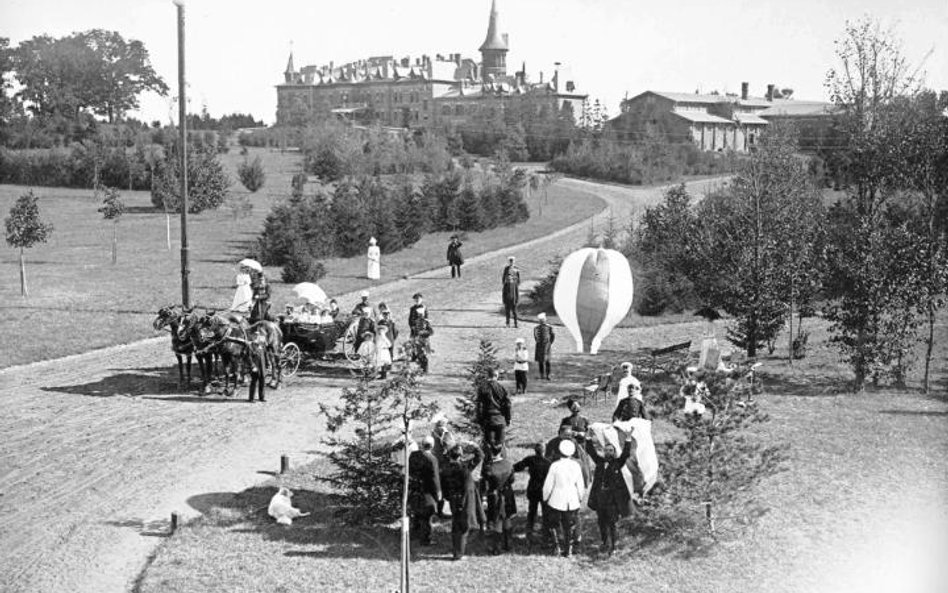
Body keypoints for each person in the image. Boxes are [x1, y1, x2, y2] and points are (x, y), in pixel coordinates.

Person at [585, 439, 633, 555]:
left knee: (612, 523)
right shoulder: (600, 462)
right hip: (600, 497)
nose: (608, 452)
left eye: (611, 450)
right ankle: (605, 543)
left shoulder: (618, 463)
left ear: (614, 452)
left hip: (612, 499)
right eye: (606, 450)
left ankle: (614, 546)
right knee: (601, 522)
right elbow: (591, 452)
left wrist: (628, 439)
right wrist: (588, 439)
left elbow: (626, 453)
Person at [542, 439, 586, 557]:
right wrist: (580, 497)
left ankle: (558, 547)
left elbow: (548, 485)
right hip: (572, 499)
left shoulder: (555, 466)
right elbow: (580, 484)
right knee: (570, 526)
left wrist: (545, 497)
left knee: (556, 524)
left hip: (556, 499)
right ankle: (569, 548)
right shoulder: (576, 465)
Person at [441, 443, 485, 560]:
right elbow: (480, 456)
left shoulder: (445, 469)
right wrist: (474, 446)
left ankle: (457, 550)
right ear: (460, 456)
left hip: (453, 500)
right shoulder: (464, 468)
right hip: (463, 501)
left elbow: (443, 486)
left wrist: (448, 497)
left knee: (456, 524)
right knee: (463, 527)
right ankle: (459, 553)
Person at [482, 443, 516, 554]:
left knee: (497, 521)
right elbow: (512, 480)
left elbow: (485, 482)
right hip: (507, 493)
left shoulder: (489, 468)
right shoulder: (509, 464)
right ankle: (508, 544)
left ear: (491, 452)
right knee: (507, 518)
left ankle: (496, 548)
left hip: (495, 496)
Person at [408, 437, 442, 546]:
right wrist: (438, 492)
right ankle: (425, 539)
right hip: (427, 490)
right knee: (427, 515)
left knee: (416, 513)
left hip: (414, 488)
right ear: (432, 446)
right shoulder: (432, 459)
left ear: (422, 444)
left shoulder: (413, 455)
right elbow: (434, 478)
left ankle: (414, 535)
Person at [513, 443, 551, 534]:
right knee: (545, 510)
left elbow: (517, 467)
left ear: (535, 450)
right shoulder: (548, 463)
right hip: (543, 488)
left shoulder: (530, 459)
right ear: (544, 451)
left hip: (533, 487)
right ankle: (546, 529)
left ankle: (530, 527)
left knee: (532, 509)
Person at [476, 368, 511, 448]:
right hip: (500, 419)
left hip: (488, 420)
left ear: (488, 376)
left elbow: (479, 406)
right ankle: (501, 459)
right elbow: (508, 405)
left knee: (489, 446)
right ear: (497, 376)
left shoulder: (482, 388)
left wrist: (480, 421)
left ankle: (490, 460)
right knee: (500, 445)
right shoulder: (502, 388)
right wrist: (508, 419)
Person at [430, 413, 456, 517]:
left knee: (439, 486)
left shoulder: (433, 432)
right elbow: (450, 446)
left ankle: (438, 511)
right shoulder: (445, 433)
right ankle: (450, 511)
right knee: (449, 487)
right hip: (445, 463)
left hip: (437, 462)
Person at [533, 313, 555, 380]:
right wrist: (539, 343)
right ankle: (541, 375)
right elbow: (536, 337)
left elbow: (553, 336)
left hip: (547, 346)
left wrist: (549, 343)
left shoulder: (549, 327)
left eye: (543, 320)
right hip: (539, 346)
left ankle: (548, 375)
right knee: (540, 361)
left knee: (548, 361)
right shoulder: (536, 328)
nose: (542, 321)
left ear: (545, 320)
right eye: (540, 320)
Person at [501, 256, 521, 328]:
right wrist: (505, 281)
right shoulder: (506, 268)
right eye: (510, 261)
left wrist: (516, 282)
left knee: (514, 311)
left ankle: (516, 323)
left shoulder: (516, 268)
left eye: (512, 261)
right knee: (507, 311)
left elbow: (518, 278)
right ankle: (507, 323)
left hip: (514, 291)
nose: (511, 262)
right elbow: (504, 277)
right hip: (507, 297)